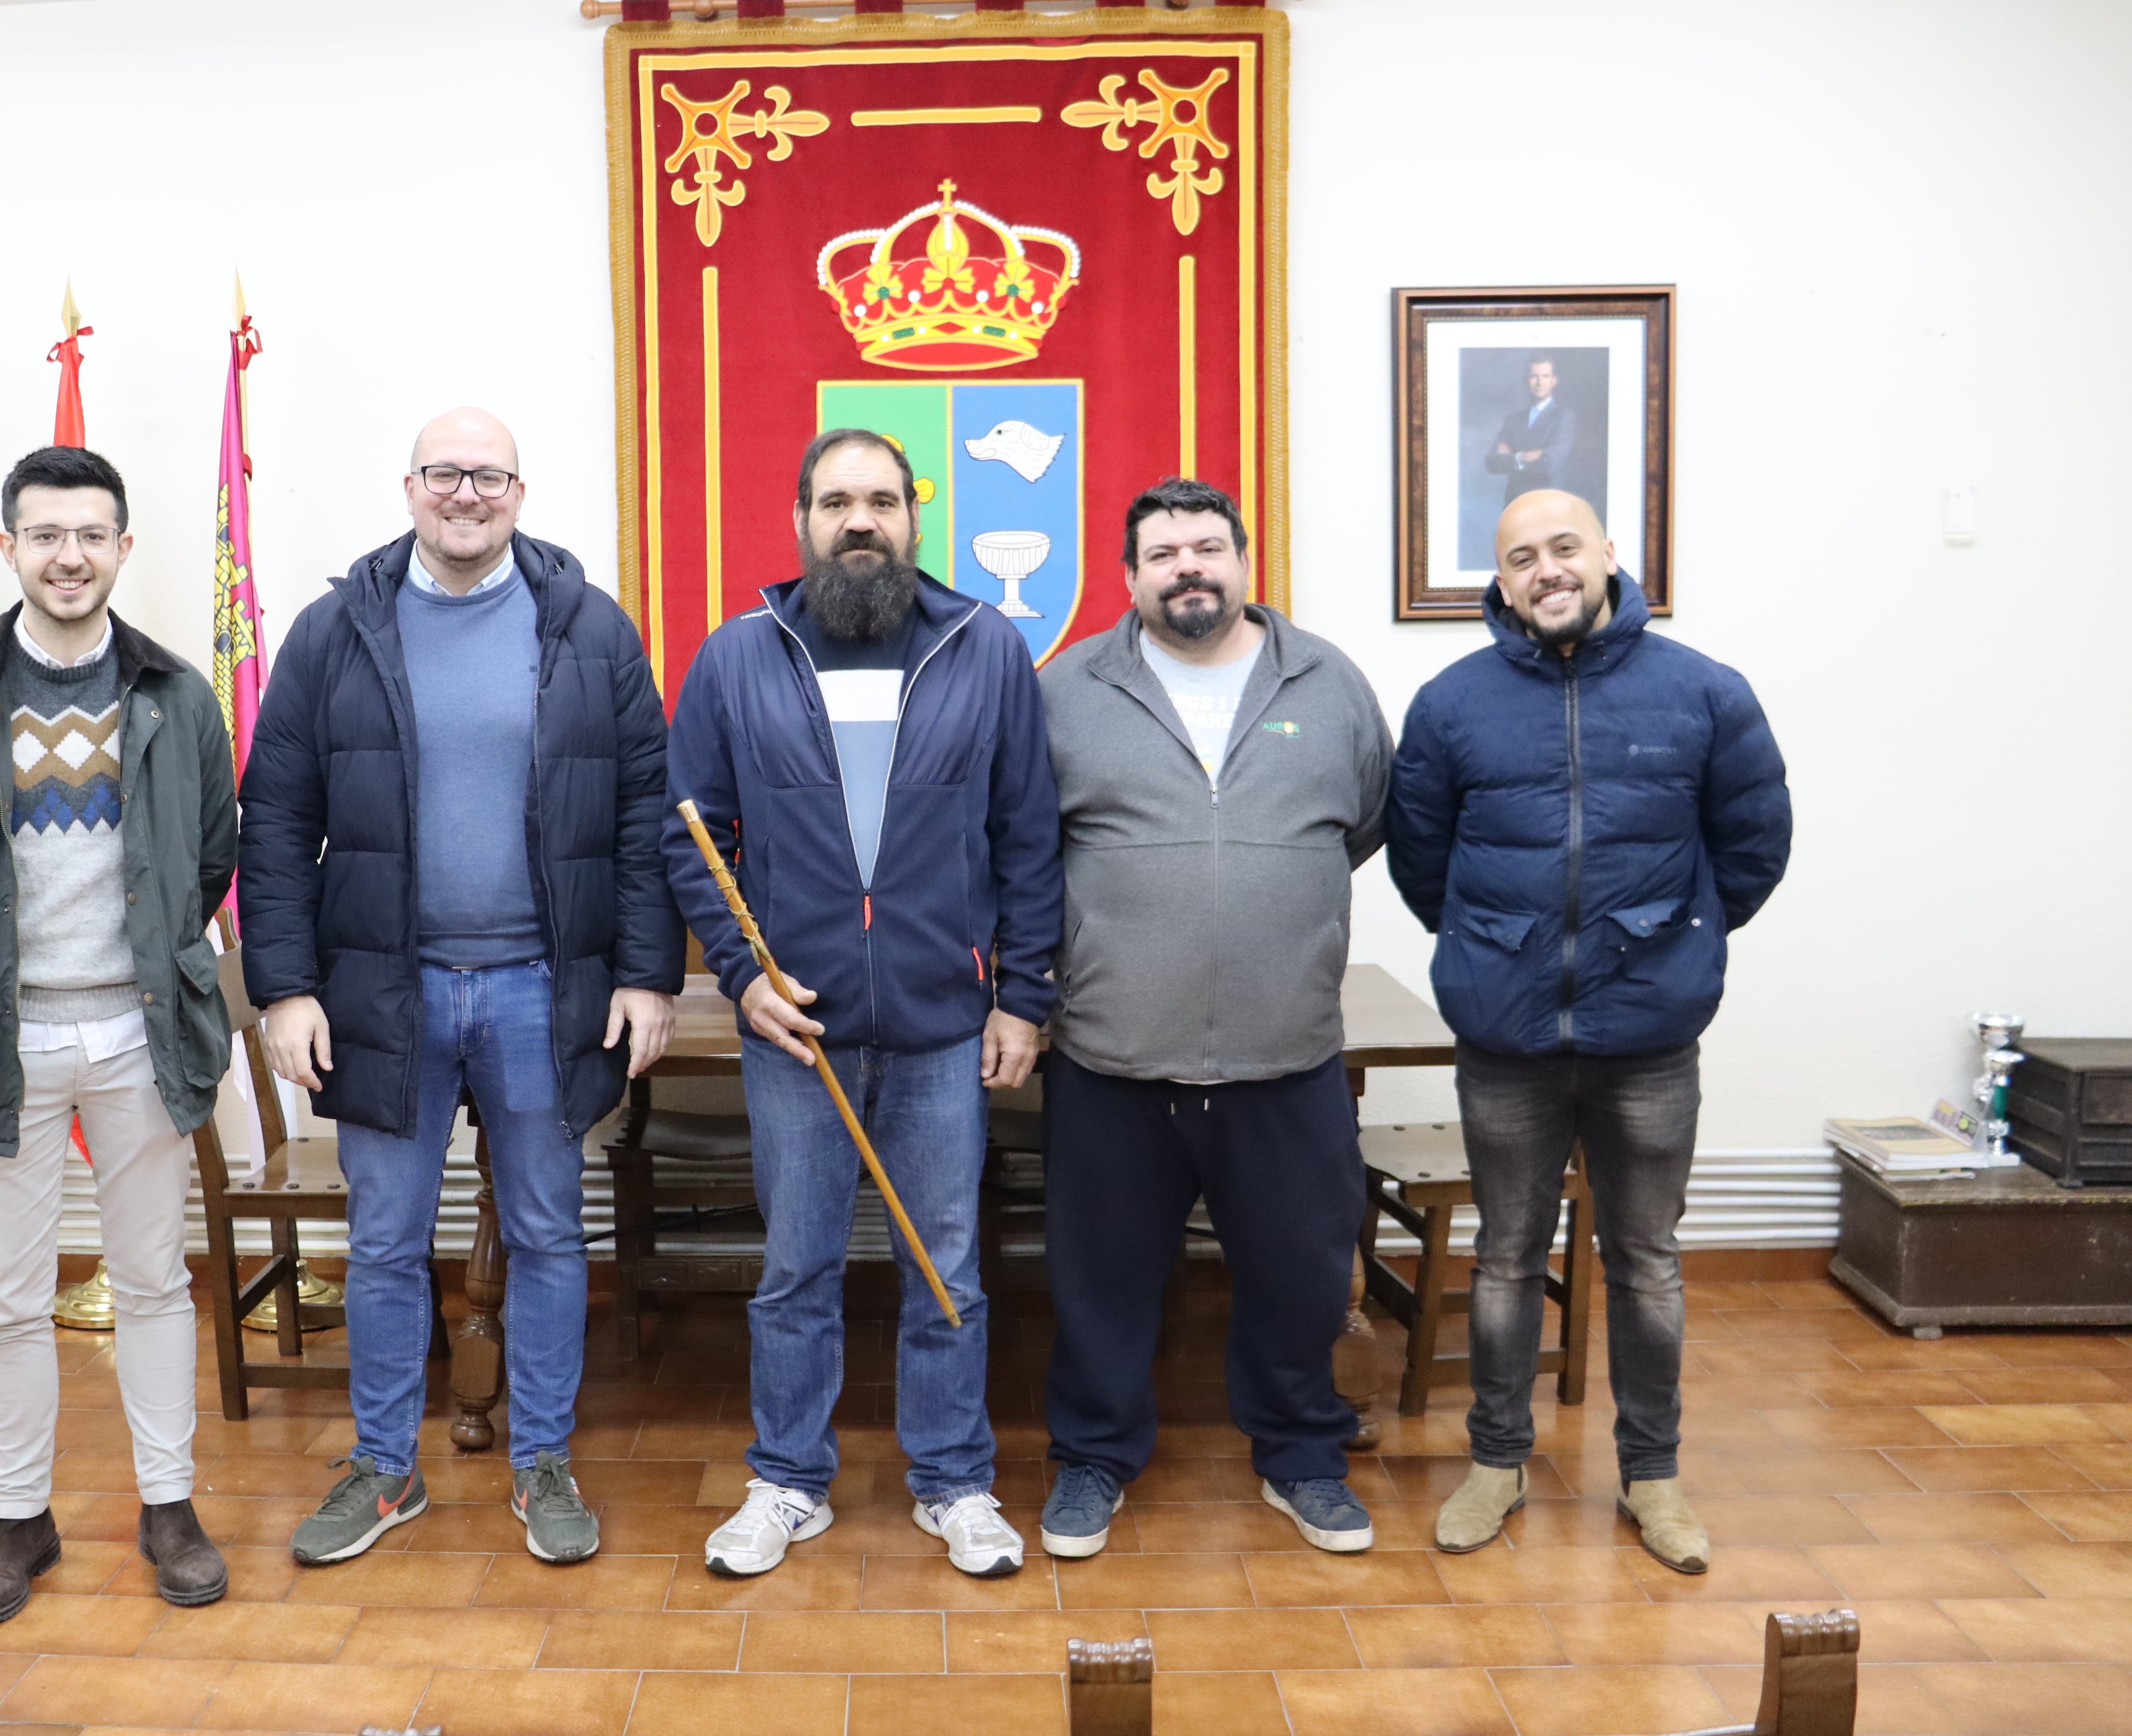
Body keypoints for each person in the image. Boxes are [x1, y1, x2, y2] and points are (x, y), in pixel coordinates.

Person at [240, 408, 682, 1570]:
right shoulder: (335, 632)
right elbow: (275, 821)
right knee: (384, 1240)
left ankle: (542, 1460)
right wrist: (286, 987)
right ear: (410, 487)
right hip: (389, 990)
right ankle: (385, 1470)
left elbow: (646, 816)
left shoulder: (590, 630)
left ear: (522, 493)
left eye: (489, 475)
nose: (467, 493)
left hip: (547, 986)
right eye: (447, 473)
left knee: (545, 1230)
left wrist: (646, 971)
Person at [664, 428, 1060, 1579]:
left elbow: (1028, 840)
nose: (859, 520)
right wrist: (745, 980)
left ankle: (953, 1481)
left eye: (881, 499)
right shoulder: (740, 655)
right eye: (836, 500)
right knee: (795, 1267)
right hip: (801, 1032)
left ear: (914, 518)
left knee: (948, 1265)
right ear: (799, 519)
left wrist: (1021, 999)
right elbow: (691, 839)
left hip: (943, 1026)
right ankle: (788, 1479)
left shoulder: (985, 649)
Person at [1386, 489, 1791, 1573]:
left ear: (1609, 553)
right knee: (1508, 1256)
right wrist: (1505, 948)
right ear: (1501, 579)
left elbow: (1751, 847)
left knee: (1646, 1261)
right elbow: (1420, 862)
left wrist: (1669, 944)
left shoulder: (1703, 692)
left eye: (1564, 547)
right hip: (1506, 1039)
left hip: (1648, 1039)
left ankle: (1652, 1477)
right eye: (1522, 556)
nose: (1545, 569)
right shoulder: (1451, 703)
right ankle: (1496, 1462)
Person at [0, 445, 236, 1627]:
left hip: (142, 1037)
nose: (68, 556)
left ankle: (167, 1505)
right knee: (8, 1294)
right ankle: (18, 1519)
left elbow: (214, 851)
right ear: (9, 548)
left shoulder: (179, 696)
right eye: (45, 535)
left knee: (153, 1281)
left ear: (124, 548)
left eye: (91, 535)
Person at [1031, 477, 1394, 1559]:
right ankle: (1091, 1461)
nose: (1187, 566)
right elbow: (1020, 846)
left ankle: (1302, 1459)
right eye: (1162, 553)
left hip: (1283, 1053)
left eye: (1206, 547)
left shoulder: (1328, 682)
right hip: (1110, 1053)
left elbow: (1364, 820)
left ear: (1242, 561)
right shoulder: (1067, 691)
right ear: (1129, 575)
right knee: (1098, 1279)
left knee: (1297, 1273)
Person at [1483, 355, 1576, 502]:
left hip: (1548, 506)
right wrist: (1523, 457)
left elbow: (1549, 464)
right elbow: (1491, 462)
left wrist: (1512, 457)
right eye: (1535, 376)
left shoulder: (1564, 419)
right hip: (1515, 506)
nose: (1539, 383)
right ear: (1527, 380)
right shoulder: (1513, 420)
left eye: (1545, 376)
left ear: (1554, 381)